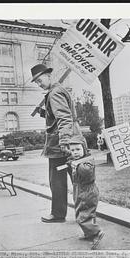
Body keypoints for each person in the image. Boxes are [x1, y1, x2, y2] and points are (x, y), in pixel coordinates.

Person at [31, 63, 83, 223]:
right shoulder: (57, 91)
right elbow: (59, 116)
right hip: (69, 141)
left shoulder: (54, 93)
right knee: (79, 180)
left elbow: (64, 118)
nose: (39, 84)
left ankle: (59, 214)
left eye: (40, 80)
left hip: (60, 145)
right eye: (37, 82)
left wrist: (65, 141)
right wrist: (44, 113)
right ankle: (85, 214)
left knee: (58, 181)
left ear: (48, 75)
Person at [67, 135, 105, 250]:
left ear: (84, 148)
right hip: (79, 190)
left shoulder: (88, 161)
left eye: (78, 149)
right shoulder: (76, 160)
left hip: (87, 191)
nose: (75, 152)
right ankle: (89, 233)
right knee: (88, 213)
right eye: (72, 150)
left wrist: (78, 165)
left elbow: (87, 171)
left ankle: (96, 232)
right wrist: (72, 164)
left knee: (82, 216)